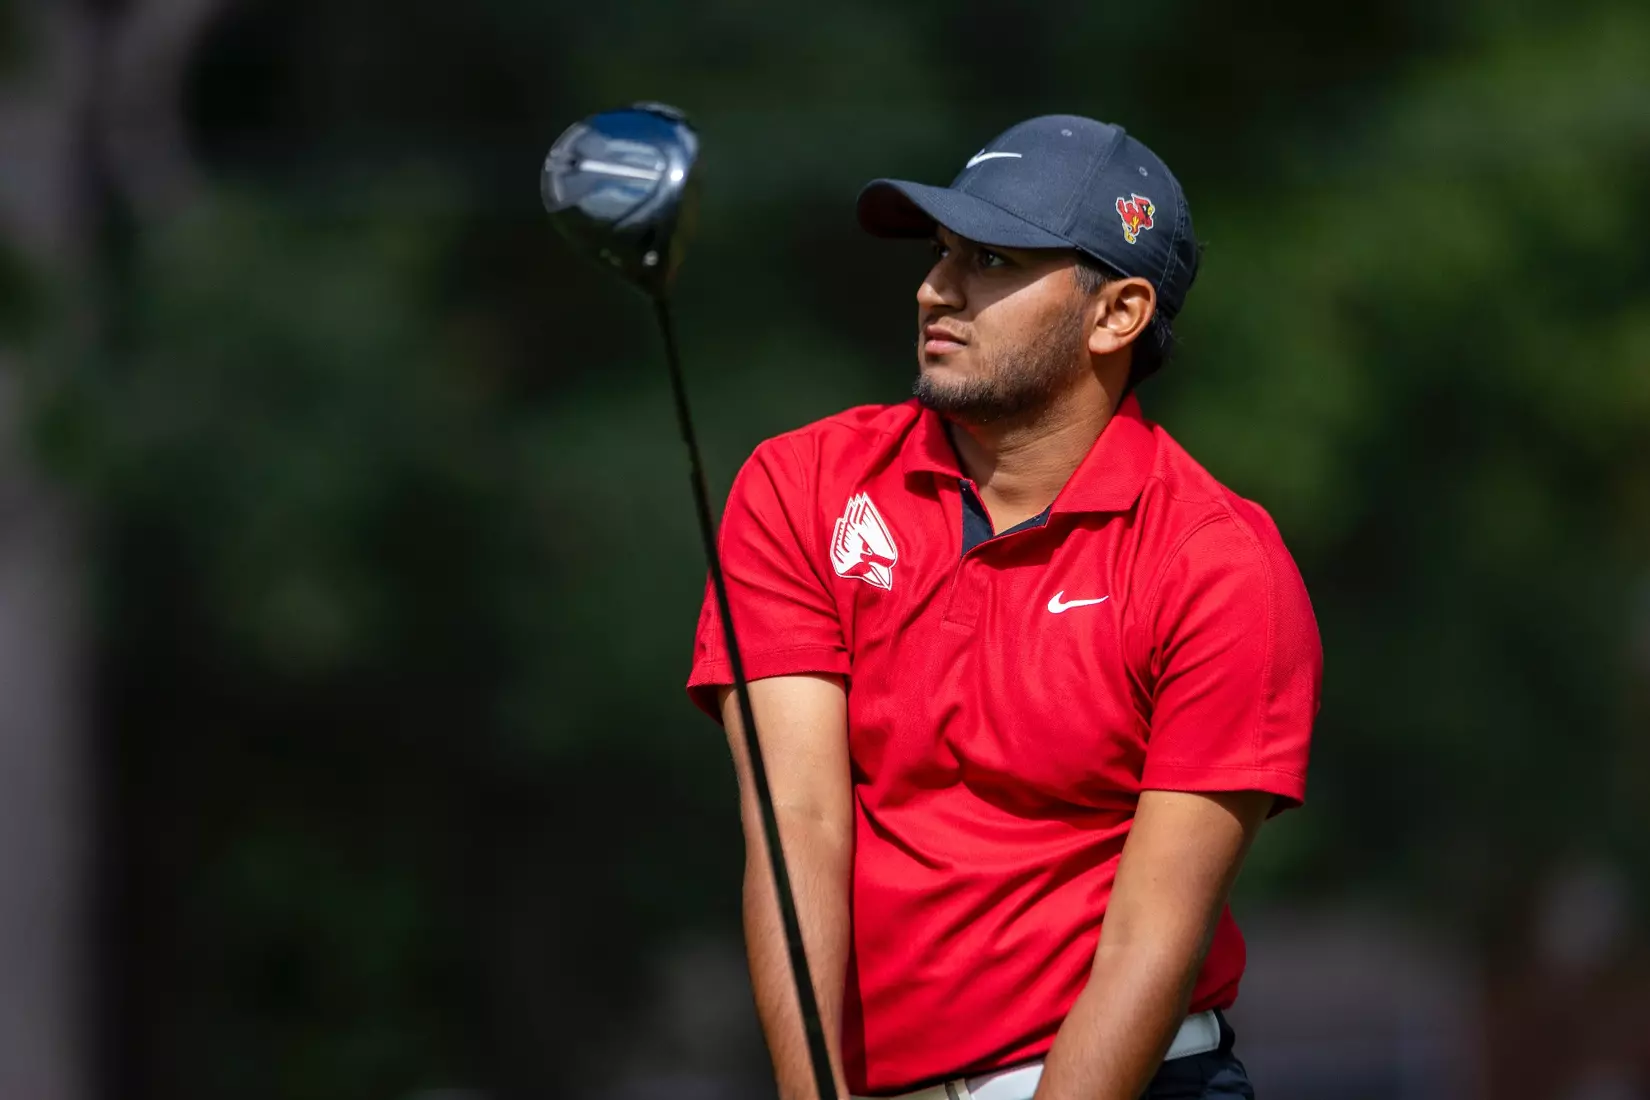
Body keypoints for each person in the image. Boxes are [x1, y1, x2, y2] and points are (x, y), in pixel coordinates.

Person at [686, 114, 1322, 1100]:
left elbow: (1152, 936)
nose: (935, 288)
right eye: (942, 253)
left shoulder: (1218, 563)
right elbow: (795, 822)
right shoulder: (800, 484)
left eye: (990, 258)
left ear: (1118, 313)